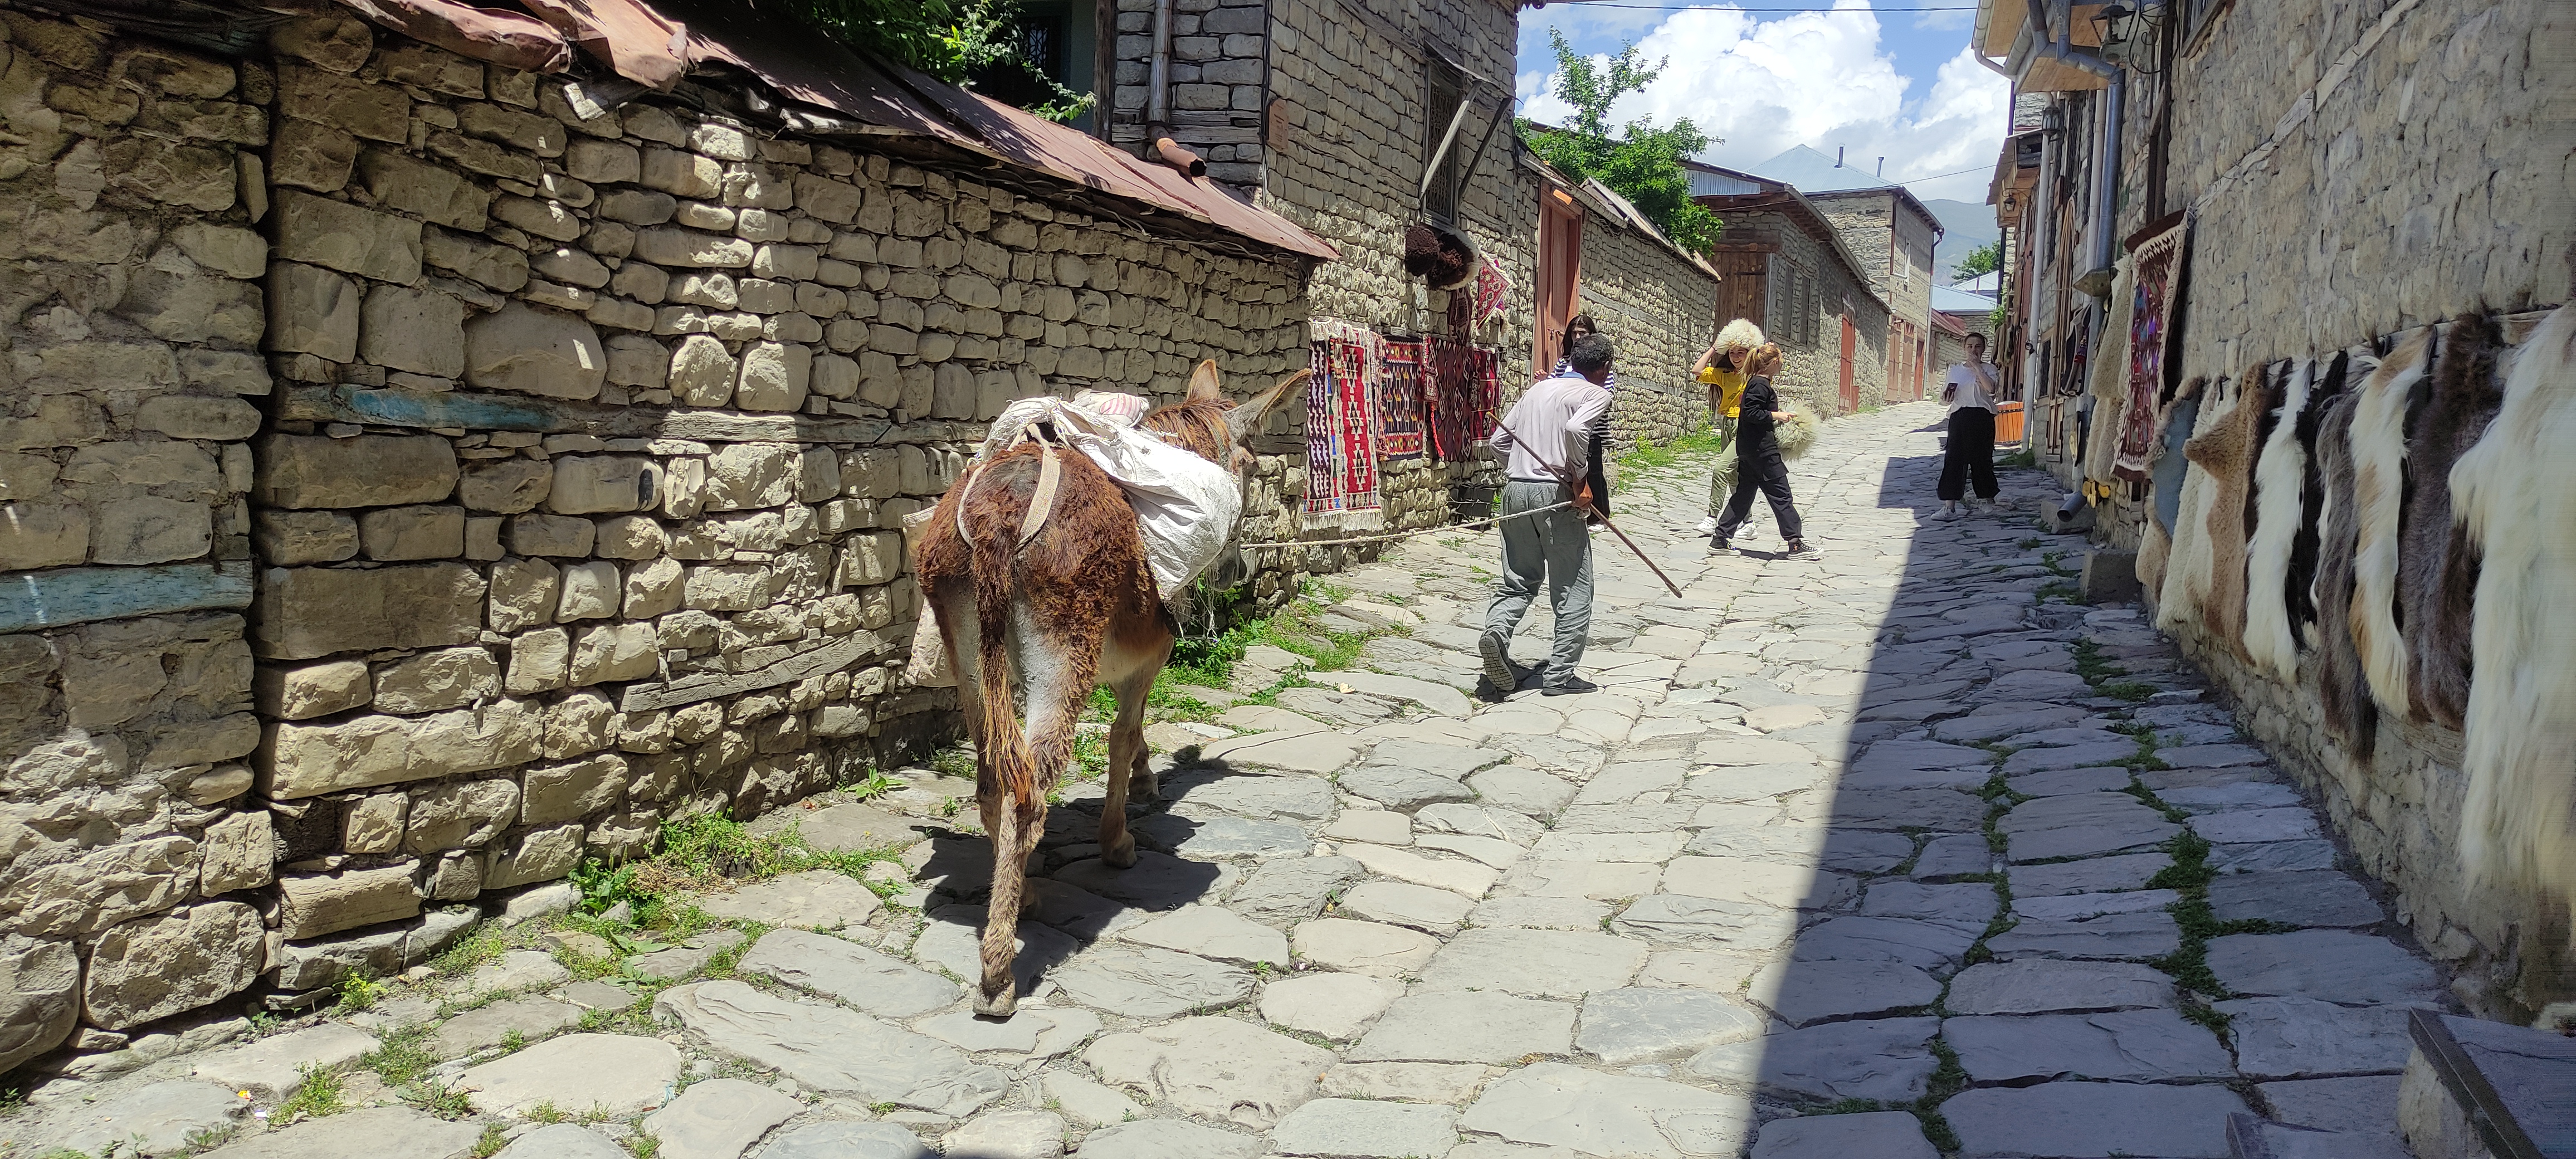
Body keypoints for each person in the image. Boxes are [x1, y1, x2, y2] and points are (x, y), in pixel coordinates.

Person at [1481, 334, 1614, 699]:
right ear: (1605, 368)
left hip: (1515, 490)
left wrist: (1522, 472)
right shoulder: (1595, 393)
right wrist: (1580, 479)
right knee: (1573, 585)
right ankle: (1560, 675)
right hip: (1555, 496)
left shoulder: (1537, 390)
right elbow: (1576, 429)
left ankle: (1496, 633)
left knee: (1518, 580)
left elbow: (1498, 443)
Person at [1710, 344, 1814, 557]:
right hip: (1762, 452)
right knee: (1782, 496)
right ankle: (1795, 544)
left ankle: (1720, 540)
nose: (1782, 364)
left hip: (1750, 450)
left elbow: (1753, 411)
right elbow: (1750, 413)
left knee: (1743, 497)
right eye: (1781, 360)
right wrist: (1777, 415)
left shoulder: (1756, 382)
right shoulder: (1760, 384)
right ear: (1774, 362)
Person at [1692, 319, 1765, 534]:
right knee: (1733, 476)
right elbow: (1697, 370)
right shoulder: (1724, 375)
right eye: (1732, 353)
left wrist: (1759, 350)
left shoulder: (1755, 376)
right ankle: (1749, 523)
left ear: (1749, 353)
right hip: (1727, 425)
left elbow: (1770, 360)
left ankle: (1711, 516)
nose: (1735, 357)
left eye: (1741, 353)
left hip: (1744, 427)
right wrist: (1715, 348)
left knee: (1720, 469)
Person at [1550, 314, 1616, 520]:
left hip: (1591, 427)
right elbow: (1553, 383)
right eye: (1574, 333)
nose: (1577, 337)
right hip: (1564, 423)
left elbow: (1607, 392)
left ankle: (1599, 515)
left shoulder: (1601, 366)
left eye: (1583, 333)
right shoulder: (1563, 364)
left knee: (1593, 472)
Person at [1936, 332, 2003, 520]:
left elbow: (1991, 389)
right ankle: (1949, 507)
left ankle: (1986, 499)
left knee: (1982, 458)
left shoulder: (1989, 369)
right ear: (1964, 348)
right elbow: (1945, 397)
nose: (1973, 350)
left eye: (1978, 346)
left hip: (1982, 416)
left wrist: (1977, 367)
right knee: (1954, 459)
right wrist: (1946, 397)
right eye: (1970, 346)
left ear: (1984, 349)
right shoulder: (1955, 370)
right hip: (1960, 416)